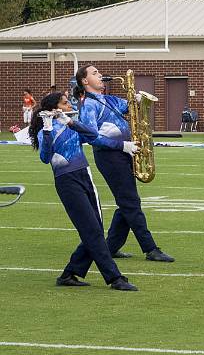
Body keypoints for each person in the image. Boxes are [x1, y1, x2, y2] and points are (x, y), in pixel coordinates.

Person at [28, 92, 137, 291]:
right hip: (66, 181)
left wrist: (121, 146)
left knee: (95, 228)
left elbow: (94, 136)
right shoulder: (46, 130)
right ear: (54, 107)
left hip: (85, 176)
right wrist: (47, 129)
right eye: (64, 102)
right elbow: (45, 157)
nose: (69, 104)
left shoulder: (71, 123)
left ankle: (70, 273)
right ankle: (115, 278)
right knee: (92, 231)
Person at [75, 65, 174, 261]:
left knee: (126, 202)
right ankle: (150, 248)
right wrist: (122, 146)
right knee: (130, 202)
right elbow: (91, 137)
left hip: (124, 152)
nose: (100, 75)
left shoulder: (109, 99)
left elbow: (129, 106)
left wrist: (137, 101)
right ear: (85, 81)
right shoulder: (88, 105)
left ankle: (111, 246)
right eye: (94, 73)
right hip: (110, 156)